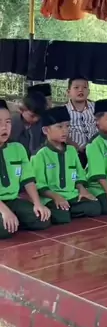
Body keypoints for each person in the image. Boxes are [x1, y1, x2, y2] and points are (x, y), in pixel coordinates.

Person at [32, 106, 101, 223]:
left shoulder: (71, 150)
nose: (65, 130)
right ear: (45, 130)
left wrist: (82, 190)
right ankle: (66, 211)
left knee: (95, 207)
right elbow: (39, 185)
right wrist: (56, 197)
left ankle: (67, 210)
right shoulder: (40, 154)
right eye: (59, 127)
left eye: (67, 126)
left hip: (71, 195)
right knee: (61, 217)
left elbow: (79, 175)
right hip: (50, 197)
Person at [0, 99, 51, 239]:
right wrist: (5, 212)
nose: (4, 127)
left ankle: (13, 221)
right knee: (4, 228)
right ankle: (10, 220)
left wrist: (37, 203)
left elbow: (28, 179)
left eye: (8, 122)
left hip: (12, 200)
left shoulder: (17, 148)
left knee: (42, 219)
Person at [66, 76, 97, 161]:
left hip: (96, 150)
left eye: (84, 87)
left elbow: (101, 127)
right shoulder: (64, 111)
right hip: (74, 153)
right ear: (68, 92)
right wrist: (74, 146)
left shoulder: (96, 108)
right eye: (76, 87)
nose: (80, 90)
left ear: (88, 91)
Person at [10, 90, 48, 156]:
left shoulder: (42, 124)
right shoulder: (13, 124)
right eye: (32, 116)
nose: (36, 119)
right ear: (22, 110)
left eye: (39, 116)